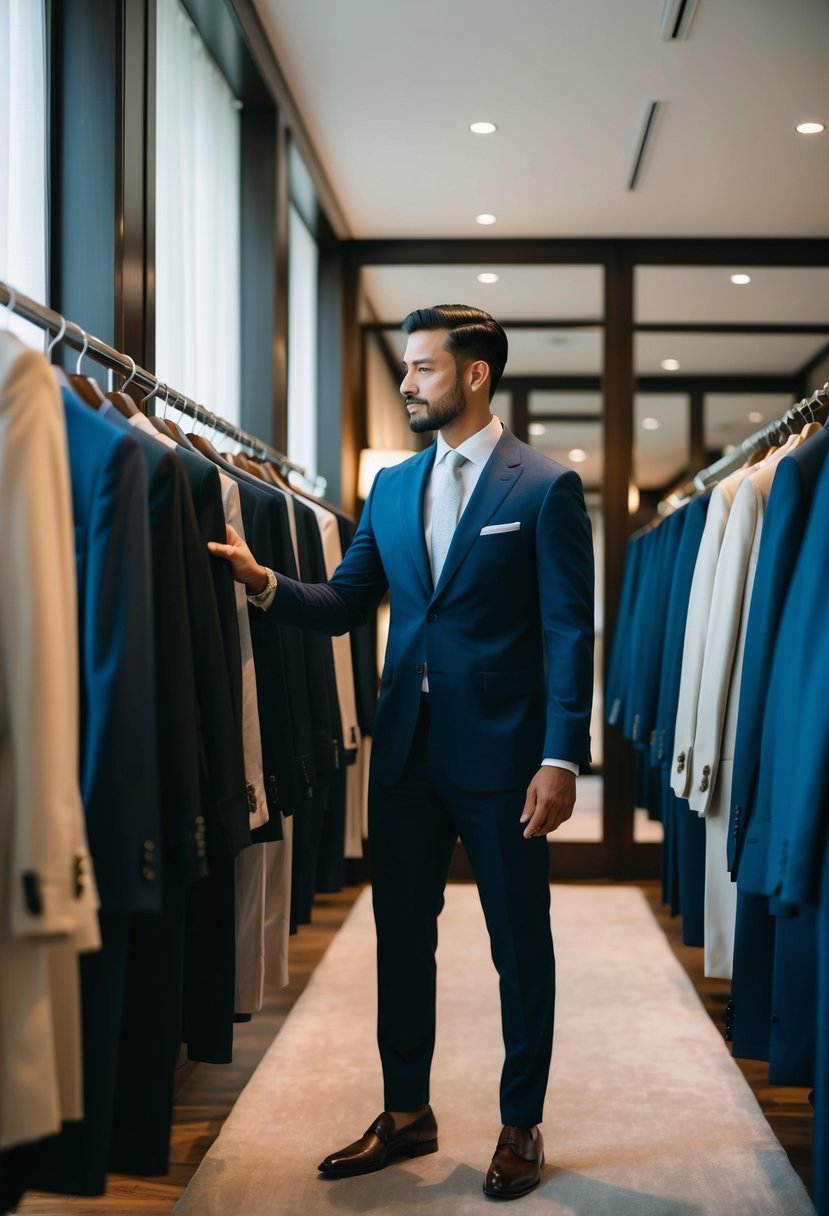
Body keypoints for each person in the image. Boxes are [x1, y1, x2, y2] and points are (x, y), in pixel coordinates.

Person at [209, 304, 594, 1201]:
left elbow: (568, 632)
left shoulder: (543, 487)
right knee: (399, 941)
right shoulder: (388, 486)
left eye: (422, 368)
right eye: (405, 367)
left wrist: (560, 758)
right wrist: (264, 583)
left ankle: (519, 1122)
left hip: (505, 762)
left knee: (517, 945)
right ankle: (405, 1111)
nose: (406, 383)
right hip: (405, 757)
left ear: (473, 376)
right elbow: (348, 602)